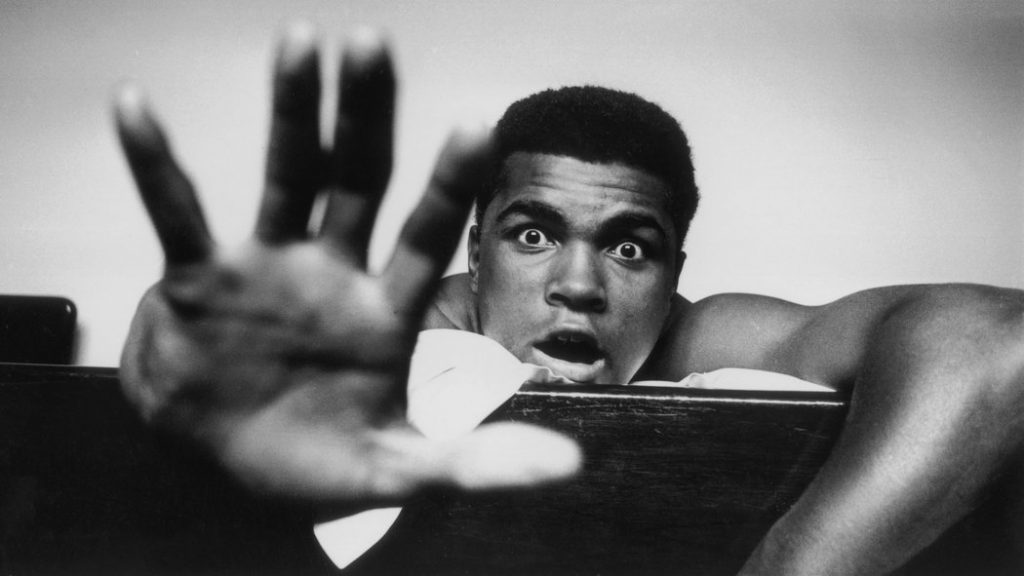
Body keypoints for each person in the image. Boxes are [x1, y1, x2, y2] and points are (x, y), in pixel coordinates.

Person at [114, 23, 1024, 575]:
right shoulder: (387, 330)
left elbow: (993, 338)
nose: (581, 286)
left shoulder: (692, 333)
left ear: (674, 271)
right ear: (475, 247)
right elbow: (184, 339)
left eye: (630, 248)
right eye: (534, 235)